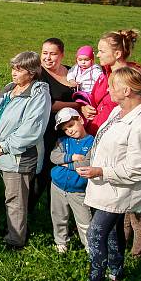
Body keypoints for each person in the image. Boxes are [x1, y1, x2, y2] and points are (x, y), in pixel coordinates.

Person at [77, 67, 141, 281]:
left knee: (96, 234)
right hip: (107, 185)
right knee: (114, 232)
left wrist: (100, 170)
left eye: (112, 86)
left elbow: (139, 167)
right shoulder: (119, 111)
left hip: (120, 189)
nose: (108, 89)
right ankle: (116, 273)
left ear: (126, 90)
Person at [0, 51, 51, 250]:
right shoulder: (10, 90)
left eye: (19, 69)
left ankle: (16, 240)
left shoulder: (38, 94)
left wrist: (4, 146)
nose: (14, 73)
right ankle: (14, 230)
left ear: (31, 73)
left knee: (16, 198)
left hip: (19, 156)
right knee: (12, 196)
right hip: (3, 152)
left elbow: (31, 129)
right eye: (13, 68)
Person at [33, 38, 81, 212]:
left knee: (66, 170)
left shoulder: (71, 72)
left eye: (52, 54)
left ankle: (59, 213)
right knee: (43, 171)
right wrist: (78, 106)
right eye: (44, 53)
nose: (47, 57)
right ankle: (26, 211)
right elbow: (49, 104)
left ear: (62, 55)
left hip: (69, 133)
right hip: (47, 131)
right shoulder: (39, 74)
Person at [81, 29, 141, 135]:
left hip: (114, 139)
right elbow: (92, 99)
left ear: (117, 54)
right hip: (92, 135)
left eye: (102, 51)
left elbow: (139, 111)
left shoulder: (132, 79)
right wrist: (84, 107)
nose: (98, 55)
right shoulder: (104, 75)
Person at [49, 107, 94, 253]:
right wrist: (72, 158)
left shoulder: (92, 142)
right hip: (57, 186)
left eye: (71, 125)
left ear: (80, 120)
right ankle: (61, 242)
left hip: (78, 189)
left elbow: (85, 164)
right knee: (58, 215)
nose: (69, 130)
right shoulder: (63, 141)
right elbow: (53, 157)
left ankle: (90, 247)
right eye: (65, 129)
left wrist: (63, 163)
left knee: (84, 221)